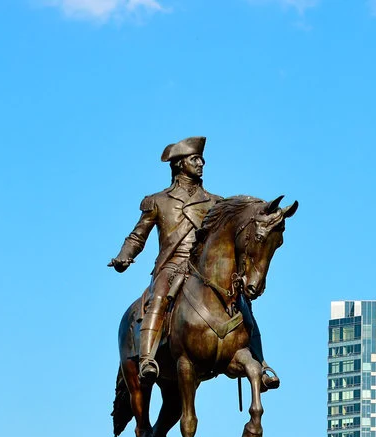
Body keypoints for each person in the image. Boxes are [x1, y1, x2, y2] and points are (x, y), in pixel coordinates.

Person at [109, 137, 278, 389]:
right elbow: (137, 236)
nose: (201, 163)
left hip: (206, 267)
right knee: (160, 295)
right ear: (179, 165)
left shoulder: (215, 202)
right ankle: (147, 358)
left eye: (201, 159)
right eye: (194, 159)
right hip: (172, 264)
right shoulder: (158, 201)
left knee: (243, 302)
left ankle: (261, 363)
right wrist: (125, 255)